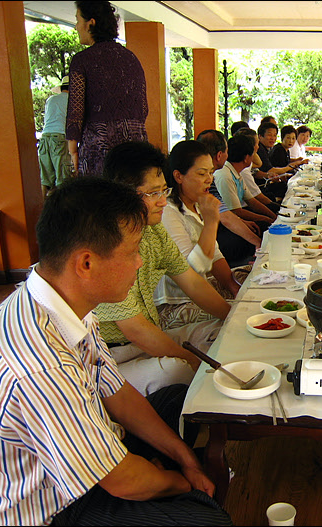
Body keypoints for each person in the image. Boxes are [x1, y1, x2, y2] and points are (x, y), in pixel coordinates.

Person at [0, 177, 232, 526]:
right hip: (52, 507)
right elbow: (121, 480)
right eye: (132, 252)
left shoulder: (63, 304)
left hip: (92, 462)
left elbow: (118, 393)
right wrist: (187, 484)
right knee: (208, 519)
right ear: (86, 263)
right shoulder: (37, 362)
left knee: (177, 400)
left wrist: (185, 458)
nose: (140, 263)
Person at [97, 141, 231, 396]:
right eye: (153, 194)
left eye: (163, 191)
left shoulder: (154, 230)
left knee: (219, 331)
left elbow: (191, 280)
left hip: (148, 338)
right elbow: (134, 329)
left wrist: (231, 318)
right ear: (123, 193)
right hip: (113, 356)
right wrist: (190, 359)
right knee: (178, 370)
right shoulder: (107, 244)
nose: (162, 201)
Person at [157, 140, 241, 331]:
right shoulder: (168, 212)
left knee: (250, 283)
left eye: (211, 172)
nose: (209, 179)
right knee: (242, 316)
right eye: (201, 173)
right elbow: (192, 272)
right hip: (175, 304)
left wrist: (232, 286)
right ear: (178, 176)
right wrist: (212, 223)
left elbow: (216, 255)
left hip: (200, 289)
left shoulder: (195, 203)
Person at [66, 1, 148, 177]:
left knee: (102, 199)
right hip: (135, 146)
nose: (75, 27)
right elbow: (143, 109)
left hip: (100, 145)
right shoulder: (131, 58)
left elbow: (76, 112)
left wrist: (73, 150)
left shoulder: (82, 60)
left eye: (77, 20)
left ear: (91, 23)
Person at [197, 128, 263, 267]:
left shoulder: (211, 177)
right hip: (202, 234)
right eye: (227, 150)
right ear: (220, 155)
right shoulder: (217, 176)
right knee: (241, 241)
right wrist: (258, 242)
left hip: (210, 228)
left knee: (252, 230)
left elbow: (224, 210)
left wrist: (242, 221)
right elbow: (225, 216)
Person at [215, 133, 278, 227]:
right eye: (253, 154)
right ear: (246, 158)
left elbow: (251, 201)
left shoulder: (237, 172)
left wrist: (274, 216)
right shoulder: (225, 175)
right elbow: (236, 212)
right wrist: (266, 219)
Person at [38, 75, 73, 196]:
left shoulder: (51, 100)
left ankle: (42, 209)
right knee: (62, 179)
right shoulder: (72, 101)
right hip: (60, 138)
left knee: (45, 179)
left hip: (45, 137)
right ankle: (61, 211)